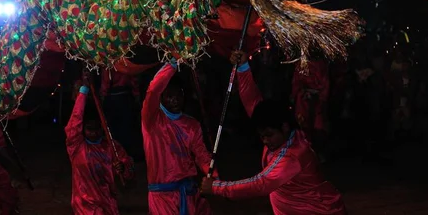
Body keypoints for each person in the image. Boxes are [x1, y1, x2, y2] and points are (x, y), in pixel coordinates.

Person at [200, 51, 346, 215]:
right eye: (262, 136)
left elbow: (260, 184)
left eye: (268, 135)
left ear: (284, 127)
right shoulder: (278, 128)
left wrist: (216, 187)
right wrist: (242, 67)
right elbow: (252, 101)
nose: (265, 141)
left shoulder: (292, 156)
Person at [142, 58, 217, 215]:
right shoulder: (152, 120)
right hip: (162, 197)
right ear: (161, 97)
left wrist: (214, 176)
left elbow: (201, 155)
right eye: (169, 95)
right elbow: (153, 90)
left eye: (179, 95)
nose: (175, 100)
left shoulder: (191, 125)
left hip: (189, 194)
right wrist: (172, 63)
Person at [66, 71, 134, 215]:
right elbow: (75, 121)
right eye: (90, 129)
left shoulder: (111, 146)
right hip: (85, 206)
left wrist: (122, 168)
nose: (94, 132)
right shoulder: (77, 146)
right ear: (83, 129)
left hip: (107, 204)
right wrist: (83, 90)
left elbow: (128, 170)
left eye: (98, 129)